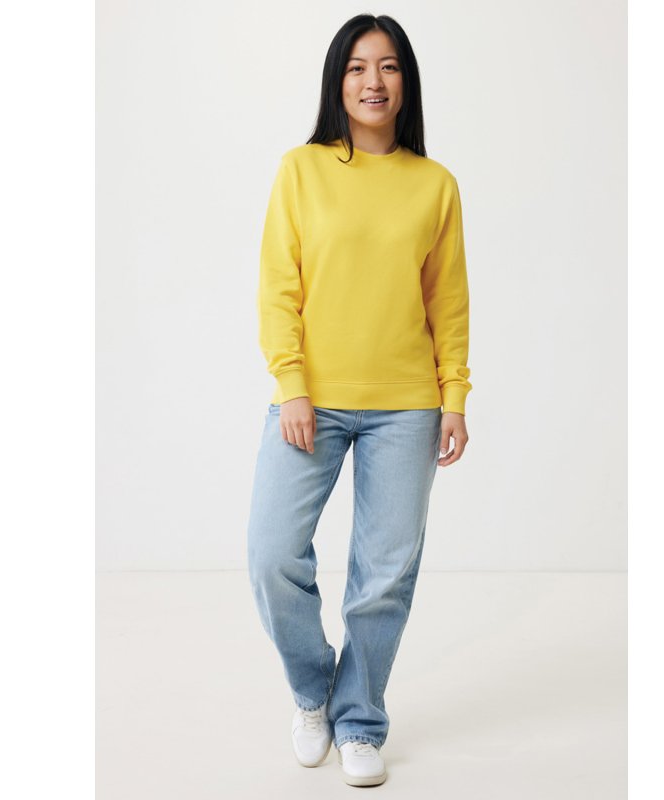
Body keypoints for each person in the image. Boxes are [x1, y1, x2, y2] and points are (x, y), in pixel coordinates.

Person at [246, 13, 471, 788]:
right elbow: (278, 288)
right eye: (357, 67)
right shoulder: (301, 170)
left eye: (389, 66)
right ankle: (315, 693)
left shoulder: (434, 185)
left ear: (407, 81)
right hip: (310, 400)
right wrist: (292, 385)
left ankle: (360, 718)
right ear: (337, 81)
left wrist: (454, 397)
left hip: (407, 407)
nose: (373, 81)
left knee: (384, 577)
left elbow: (448, 304)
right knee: (272, 555)